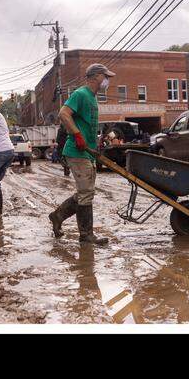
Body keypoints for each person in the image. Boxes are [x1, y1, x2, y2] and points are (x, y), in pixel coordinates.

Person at [48, 63, 114, 245]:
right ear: (95, 77)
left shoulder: (92, 98)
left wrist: (98, 139)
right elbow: (64, 113)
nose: (107, 80)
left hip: (88, 152)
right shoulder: (81, 94)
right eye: (105, 76)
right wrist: (77, 135)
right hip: (77, 151)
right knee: (86, 192)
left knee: (85, 192)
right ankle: (86, 235)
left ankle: (57, 216)